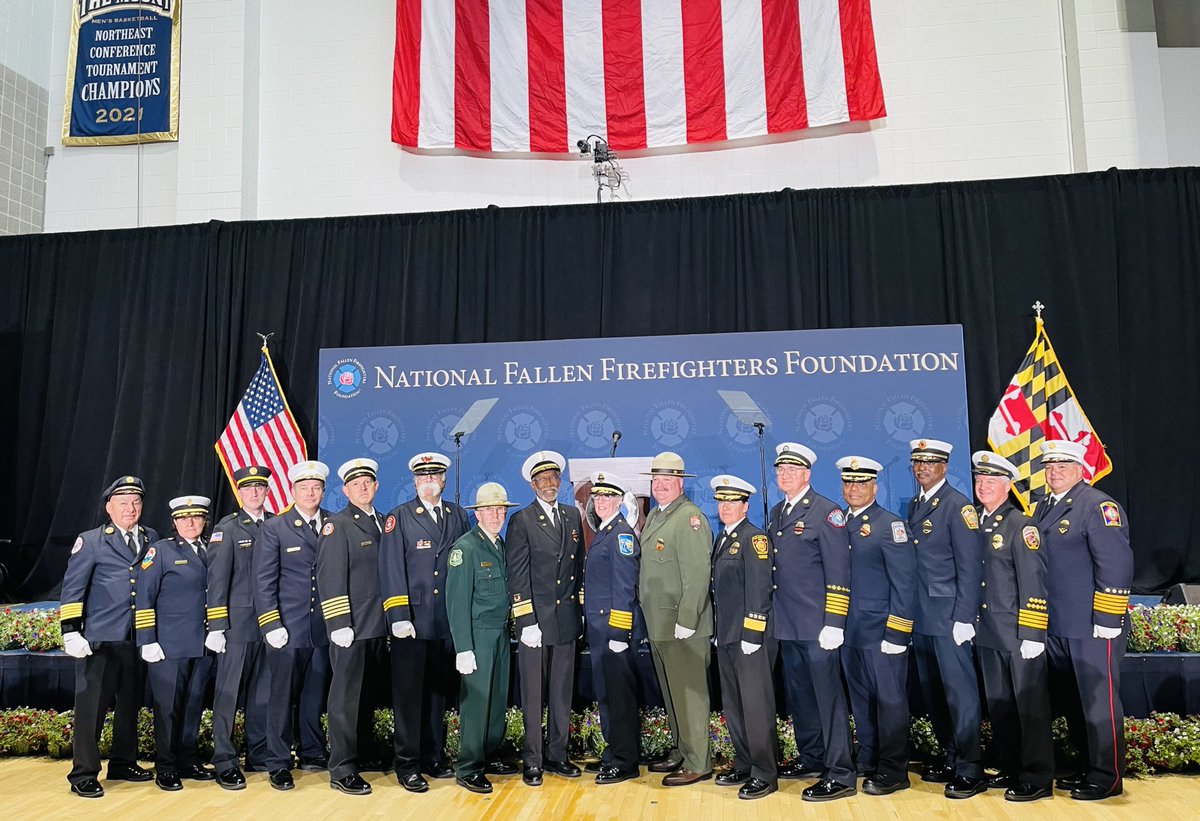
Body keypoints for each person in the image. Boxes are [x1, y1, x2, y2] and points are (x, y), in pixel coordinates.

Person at [1034, 439, 1132, 801]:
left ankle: (1108, 775)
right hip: (1058, 624)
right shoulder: (1045, 505)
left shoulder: (1098, 506)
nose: (1054, 471)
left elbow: (1116, 563)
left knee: (1098, 701)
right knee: (1075, 702)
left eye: (1063, 465)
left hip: (1092, 625)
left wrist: (1108, 616)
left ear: (1081, 469)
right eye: (1049, 465)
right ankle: (1086, 767)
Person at [767, 443, 856, 802]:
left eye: (792, 469)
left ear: (807, 474)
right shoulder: (777, 512)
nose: (785, 475)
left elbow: (839, 572)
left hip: (819, 627)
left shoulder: (827, 512)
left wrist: (834, 621)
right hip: (788, 625)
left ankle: (841, 773)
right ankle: (811, 757)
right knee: (801, 698)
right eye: (781, 469)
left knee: (828, 700)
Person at [60, 475, 158, 798]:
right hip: (98, 640)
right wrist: (71, 632)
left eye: (136, 502)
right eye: (123, 502)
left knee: (130, 704)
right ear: (109, 507)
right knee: (92, 710)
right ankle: (84, 772)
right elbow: (72, 590)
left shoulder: (151, 538)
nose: (130, 509)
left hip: (134, 638)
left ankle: (123, 761)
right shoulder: (90, 542)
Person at [380, 451, 470, 792]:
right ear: (414, 480)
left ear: (444, 479)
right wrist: (399, 616)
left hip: (445, 621)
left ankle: (433, 756)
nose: (429, 480)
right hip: (412, 622)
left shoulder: (458, 515)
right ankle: (407, 764)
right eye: (423, 475)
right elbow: (390, 569)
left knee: (437, 693)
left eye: (435, 474)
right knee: (408, 695)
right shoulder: (399, 517)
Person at [904, 438, 985, 797]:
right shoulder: (917, 504)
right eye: (917, 462)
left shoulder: (957, 506)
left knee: (959, 693)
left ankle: (971, 767)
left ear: (944, 466)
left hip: (950, 616)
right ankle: (951, 754)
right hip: (922, 616)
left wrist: (965, 615)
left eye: (929, 462)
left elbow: (970, 566)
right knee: (934, 693)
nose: (922, 468)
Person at [971, 451, 1053, 802]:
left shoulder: (1021, 525)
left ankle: (1036, 776)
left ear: (1007, 486)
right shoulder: (974, 522)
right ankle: (1009, 764)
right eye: (980, 479)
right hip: (987, 630)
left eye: (992, 481)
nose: (984, 485)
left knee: (1029, 705)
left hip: (1018, 633)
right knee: (1000, 703)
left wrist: (1033, 633)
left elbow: (1034, 580)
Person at [837, 456, 917, 796]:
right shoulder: (839, 523)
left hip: (882, 631)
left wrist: (898, 632)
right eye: (849, 482)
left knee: (890, 700)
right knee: (861, 699)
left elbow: (905, 583)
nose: (854, 488)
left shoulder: (890, 525)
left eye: (861, 483)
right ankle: (869, 756)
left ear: (875, 486)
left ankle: (894, 768)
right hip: (849, 629)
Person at [505, 450, 585, 786]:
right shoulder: (522, 521)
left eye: (553, 478)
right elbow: (517, 574)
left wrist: (578, 611)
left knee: (561, 694)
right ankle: (533, 760)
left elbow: (577, 570)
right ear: (533, 485)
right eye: (542, 480)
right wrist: (526, 621)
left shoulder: (571, 515)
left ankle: (557, 755)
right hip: (536, 622)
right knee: (534, 694)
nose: (549, 484)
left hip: (565, 619)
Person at [253, 460, 333, 791]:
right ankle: (278, 761)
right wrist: (271, 622)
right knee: (281, 697)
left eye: (316, 488)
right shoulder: (276, 527)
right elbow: (263, 579)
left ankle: (313, 752)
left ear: (323, 491)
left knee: (315, 695)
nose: (310, 493)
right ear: (293, 491)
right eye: (304, 487)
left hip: (323, 626)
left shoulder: (333, 523)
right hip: (287, 627)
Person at [638, 451, 713, 786]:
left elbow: (697, 573)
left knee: (690, 695)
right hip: (660, 623)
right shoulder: (657, 514)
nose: (660, 486)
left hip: (682, 625)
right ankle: (683, 750)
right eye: (655, 481)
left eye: (666, 481)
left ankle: (699, 762)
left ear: (681, 483)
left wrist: (687, 618)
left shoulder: (690, 517)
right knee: (672, 694)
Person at [316, 458, 388, 795]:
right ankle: (342, 768)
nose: (362, 487)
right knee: (344, 699)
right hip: (353, 627)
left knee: (368, 696)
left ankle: (363, 754)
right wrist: (339, 623)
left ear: (375, 486)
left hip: (379, 625)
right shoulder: (338, 524)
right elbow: (329, 576)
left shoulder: (384, 521)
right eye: (355, 484)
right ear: (345, 490)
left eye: (368, 482)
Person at [136, 495, 216, 791]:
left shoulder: (213, 549)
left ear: (205, 520)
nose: (191, 522)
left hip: (204, 644)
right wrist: (147, 640)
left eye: (196, 517)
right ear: (175, 522)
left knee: (194, 704)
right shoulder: (161, 551)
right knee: (168, 708)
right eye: (184, 518)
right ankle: (166, 766)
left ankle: (187, 759)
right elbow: (144, 597)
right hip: (169, 646)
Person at [446, 482, 521, 794]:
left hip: (500, 633)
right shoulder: (466, 549)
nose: (496, 514)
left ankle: (489, 755)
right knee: (476, 702)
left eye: (501, 509)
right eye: (490, 510)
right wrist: (464, 647)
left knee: (496, 698)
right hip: (478, 636)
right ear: (477, 514)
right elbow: (457, 602)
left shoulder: (498, 544)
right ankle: (469, 766)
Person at [710, 475, 777, 800]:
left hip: (748, 638)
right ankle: (745, 762)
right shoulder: (723, 538)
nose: (725, 506)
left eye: (732, 501)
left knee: (755, 706)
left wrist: (753, 630)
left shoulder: (754, 538)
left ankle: (765, 773)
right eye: (721, 501)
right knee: (734, 704)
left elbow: (759, 588)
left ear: (745, 505)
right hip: (726, 635)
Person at [206, 465, 274, 789]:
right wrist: (217, 625)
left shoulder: (276, 524)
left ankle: (258, 753)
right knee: (229, 695)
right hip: (238, 624)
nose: (254, 493)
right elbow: (217, 580)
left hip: (271, 624)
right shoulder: (228, 529)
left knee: (263, 694)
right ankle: (224, 759)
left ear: (267, 490)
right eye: (248, 488)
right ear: (239, 492)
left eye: (260, 487)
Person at [581, 471, 644, 786]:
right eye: (598, 496)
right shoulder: (605, 532)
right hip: (599, 628)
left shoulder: (621, 534)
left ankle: (625, 761)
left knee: (619, 696)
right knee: (606, 694)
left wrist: (620, 633)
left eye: (608, 496)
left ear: (620, 501)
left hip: (612, 630)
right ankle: (613, 753)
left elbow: (624, 587)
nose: (602, 502)